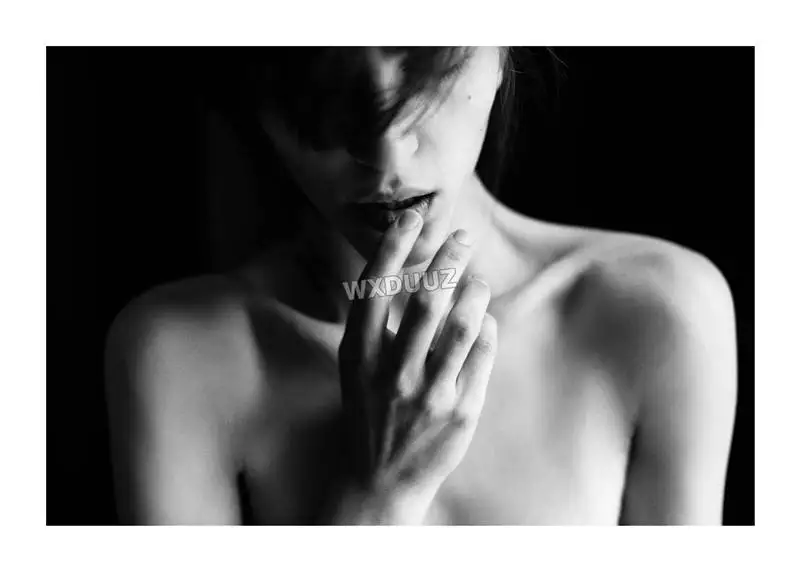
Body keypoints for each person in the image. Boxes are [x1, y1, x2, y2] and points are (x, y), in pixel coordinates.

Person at [104, 47, 738, 525]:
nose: (385, 154)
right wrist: (377, 500)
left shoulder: (656, 313)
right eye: (318, 90)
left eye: (424, 64)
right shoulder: (182, 356)